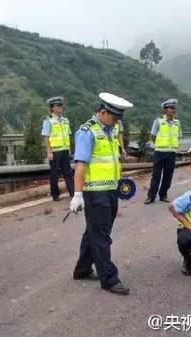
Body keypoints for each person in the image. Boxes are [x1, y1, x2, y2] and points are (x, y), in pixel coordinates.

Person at [69, 92, 133, 295]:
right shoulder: (87, 132)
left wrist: (120, 184)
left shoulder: (109, 130)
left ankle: (82, 269)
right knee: (101, 236)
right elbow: (80, 165)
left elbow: (112, 161)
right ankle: (109, 279)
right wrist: (77, 194)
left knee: (94, 233)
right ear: (103, 112)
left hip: (110, 190)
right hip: (95, 193)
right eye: (114, 118)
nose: (116, 124)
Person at [145, 98, 181, 204]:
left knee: (168, 175)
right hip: (159, 152)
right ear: (165, 110)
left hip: (171, 153)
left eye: (174, 108)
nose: (172, 110)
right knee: (156, 175)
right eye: (170, 108)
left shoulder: (177, 123)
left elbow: (178, 137)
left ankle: (163, 194)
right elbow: (153, 136)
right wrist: (159, 145)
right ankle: (151, 196)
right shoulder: (158, 121)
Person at [42, 96, 74, 201]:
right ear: (52, 108)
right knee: (54, 174)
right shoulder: (48, 121)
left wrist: (69, 149)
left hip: (65, 150)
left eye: (61, 105)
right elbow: (46, 137)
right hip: (55, 151)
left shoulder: (66, 120)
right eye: (58, 106)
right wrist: (49, 151)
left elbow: (68, 135)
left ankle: (73, 193)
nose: (60, 108)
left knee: (68, 172)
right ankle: (55, 195)